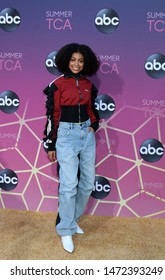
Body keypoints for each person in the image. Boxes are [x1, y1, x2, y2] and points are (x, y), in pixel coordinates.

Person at [43, 43, 100, 253]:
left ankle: (73, 219)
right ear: (66, 60)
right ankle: (65, 229)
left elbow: (92, 109)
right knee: (68, 185)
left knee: (87, 183)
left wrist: (93, 125)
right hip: (65, 136)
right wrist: (51, 142)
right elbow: (52, 115)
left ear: (86, 63)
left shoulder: (88, 84)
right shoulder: (57, 84)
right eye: (73, 59)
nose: (77, 64)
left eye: (81, 60)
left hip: (86, 134)